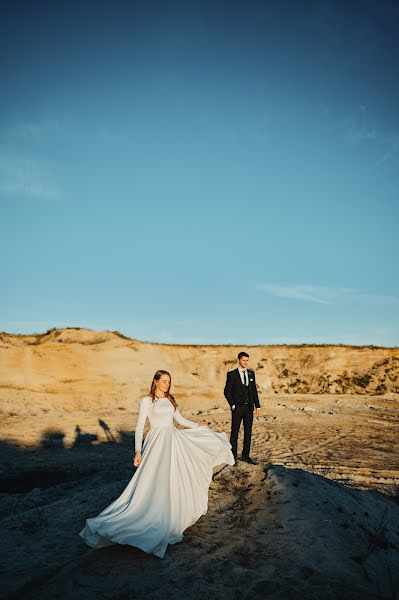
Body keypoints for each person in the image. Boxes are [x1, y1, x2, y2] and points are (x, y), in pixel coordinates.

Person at [79, 369, 235, 558]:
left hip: (172, 439)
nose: (166, 384)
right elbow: (139, 426)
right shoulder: (147, 401)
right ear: (155, 382)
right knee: (153, 478)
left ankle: (169, 510)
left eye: (168, 381)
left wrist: (197, 426)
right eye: (163, 381)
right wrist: (138, 451)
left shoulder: (171, 399)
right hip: (156, 441)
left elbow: (179, 420)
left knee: (173, 476)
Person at [224, 351, 261, 464]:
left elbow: (254, 391)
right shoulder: (232, 374)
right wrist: (233, 405)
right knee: (234, 432)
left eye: (247, 360)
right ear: (238, 360)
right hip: (237, 408)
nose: (246, 362)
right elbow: (227, 392)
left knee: (248, 432)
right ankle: (233, 456)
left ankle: (245, 456)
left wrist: (257, 407)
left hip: (249, 408)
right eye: (244, 360)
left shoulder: (251, 374)